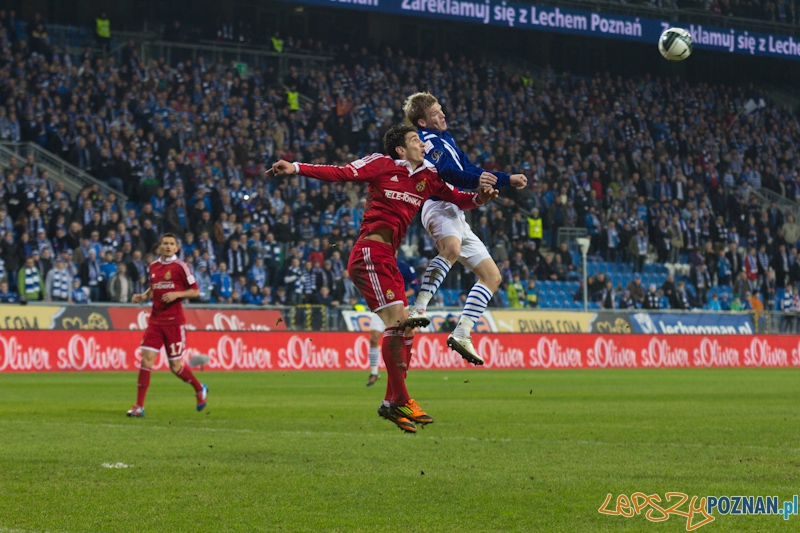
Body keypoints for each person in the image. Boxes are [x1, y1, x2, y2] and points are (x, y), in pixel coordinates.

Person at [266, 124, 497, 433]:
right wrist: (295, 167)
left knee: (407, 330)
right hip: (369, 253)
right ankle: (401, 399)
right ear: (401, 149)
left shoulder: (428, 178)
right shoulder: (382, 164)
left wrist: (480, 198)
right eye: (416, 140)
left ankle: (391, 402)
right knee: (398, 325)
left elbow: (458, 199)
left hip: (388, 258)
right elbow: (341, 173)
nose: (422, 144)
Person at [403, 92, 527, 364]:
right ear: (423, 121)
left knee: (493, 277)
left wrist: (505, 179)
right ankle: (418, 307)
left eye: (441, 109)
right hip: (436, 204)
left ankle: (462, 332)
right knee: (452, 249)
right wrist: (476, 181)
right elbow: (449, 172)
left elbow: (468, 168)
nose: (443, 114)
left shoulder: (446, 139)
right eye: (436, 113)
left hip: (455, 210)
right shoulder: (428, 141)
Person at [126, 233, 206, 418]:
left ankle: (199, 388)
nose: (168, 246)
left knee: (175, 367)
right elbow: (154, 287)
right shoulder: (153, 266)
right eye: (165, 244)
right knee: (146, 360)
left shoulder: (181, 267)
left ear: (176, 248)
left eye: (172, 244)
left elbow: (195, 292)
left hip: (174, 322)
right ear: (159, 247)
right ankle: (139, 406)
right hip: (155, 321)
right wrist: (143, 296)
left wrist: (176, 295)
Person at [366, 257, 419, 387]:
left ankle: (400, 370)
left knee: (398, 340)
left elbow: (415, 287)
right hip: (382, 306)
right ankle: (374, 372)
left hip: (398, 307)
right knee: (373, 338)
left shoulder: (405, 267)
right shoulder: (378, 265)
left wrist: (400, 296)